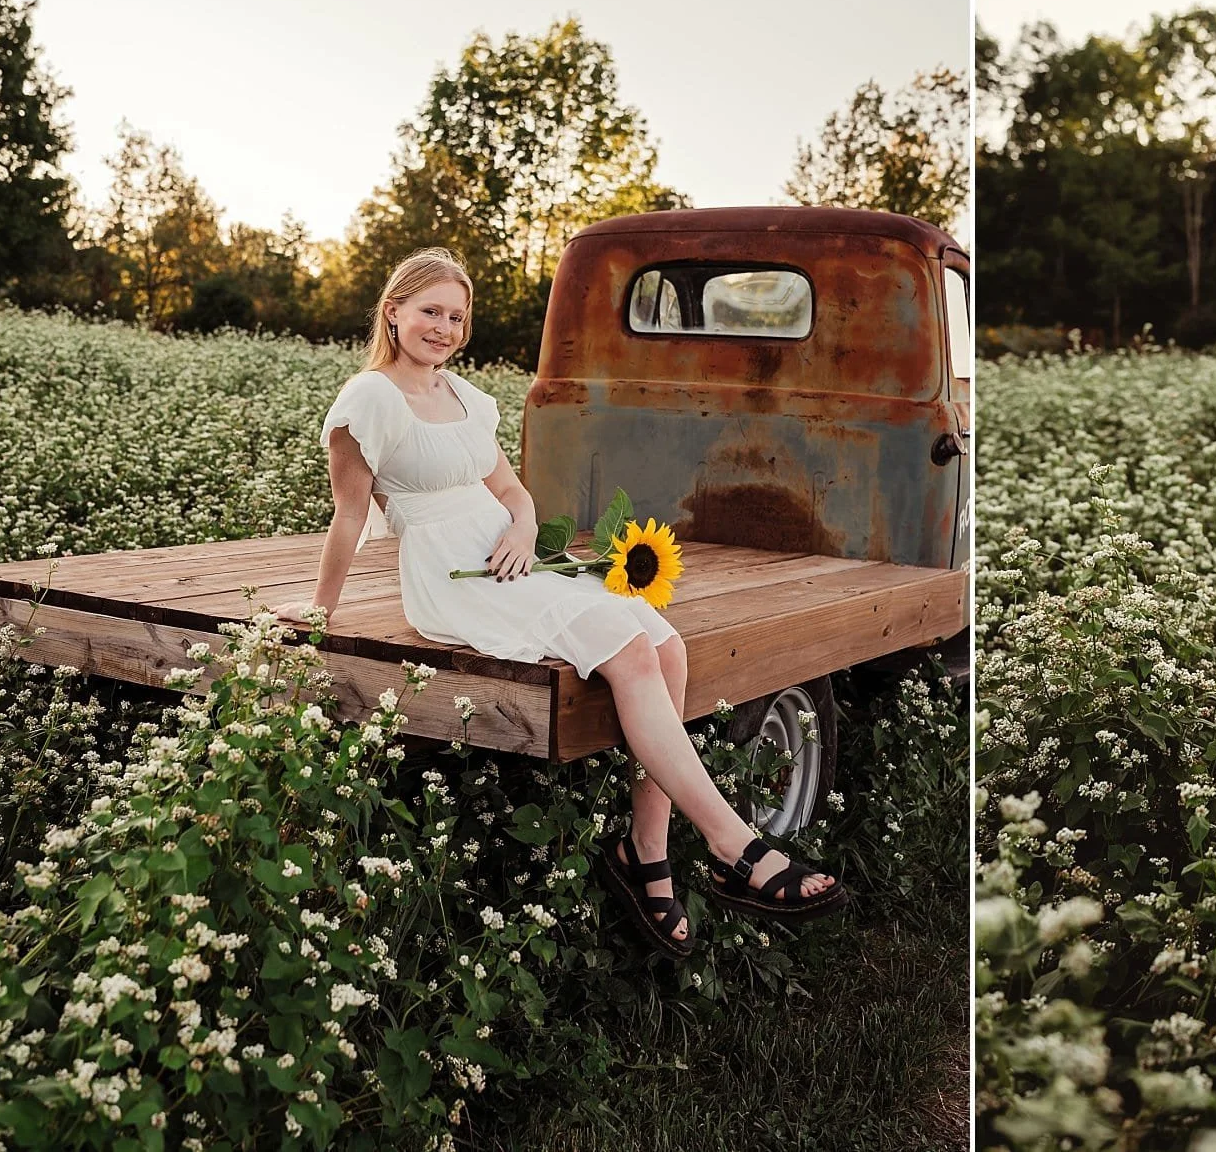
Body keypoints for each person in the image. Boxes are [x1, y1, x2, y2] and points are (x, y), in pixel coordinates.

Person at [272, 247, 844, 956]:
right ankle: (733, 843)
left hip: (508, 552)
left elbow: (512, 491)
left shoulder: (463, 398)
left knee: (667, 644)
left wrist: (518, 524)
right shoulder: (368, 402)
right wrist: (322, 608)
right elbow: (349, 516)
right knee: (630, 649)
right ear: (393, 311)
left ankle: (648, 852)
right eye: (430, 311)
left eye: (456, 315)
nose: (444, 327)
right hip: (450, 574)